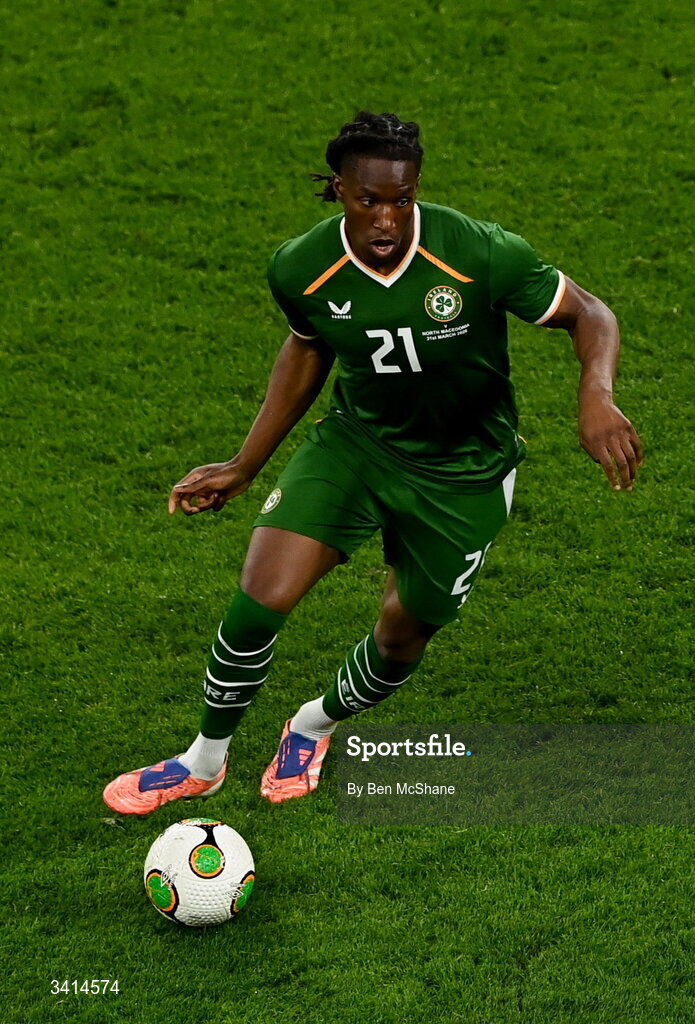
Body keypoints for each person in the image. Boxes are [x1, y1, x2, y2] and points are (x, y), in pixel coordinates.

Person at [103, 111, 643, 814]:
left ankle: (311, 724)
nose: (387, 217)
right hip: (357, 448)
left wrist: (595, 395)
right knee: (260, 595)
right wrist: (244, 463)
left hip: (464, 474)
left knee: (400, 635)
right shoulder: (300, 266)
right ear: (338, 191)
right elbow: (307, 348)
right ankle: (202, 761)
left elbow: (589, 313)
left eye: (401, 199)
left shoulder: (478, 251)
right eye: (369, 201)